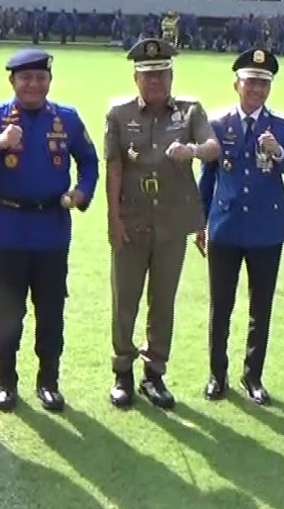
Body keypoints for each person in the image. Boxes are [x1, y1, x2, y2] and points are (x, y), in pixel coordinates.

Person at [0, 48, 99, 412]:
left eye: (40, 78)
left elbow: (89, 162)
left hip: (52, 228)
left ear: (49, 82)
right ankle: (5, 382)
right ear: (12, 82)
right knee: (9, 309)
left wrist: (82, 192)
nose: (33, 85)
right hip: (9, 228)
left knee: (51, 309)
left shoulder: (67, 119)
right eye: (25, 78)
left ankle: (48, 381)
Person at [100, 38, 217, 410]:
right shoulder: (118, 114)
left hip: (171, 222)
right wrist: (112, 218)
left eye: (161, 74)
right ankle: (122, 372)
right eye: (148, 75)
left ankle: (155, 373)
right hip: (131, 222)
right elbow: (114, 166)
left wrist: (193, 151)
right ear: (136, 78)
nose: (155, 81)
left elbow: (213, 146)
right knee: (125, 301)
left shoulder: (190, 111)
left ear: (171, 75)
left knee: (163, 301)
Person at [198, 48, 284, 406]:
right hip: (224, 227)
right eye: (250, 81)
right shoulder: (217, 123)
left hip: (265, 229)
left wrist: (280, 152)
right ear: (236, 84)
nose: (256, 89)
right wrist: (200, 221)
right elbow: (207, 176)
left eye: (263, 83)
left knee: (261, 306)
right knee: (220, 305)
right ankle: (217, 374)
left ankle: (253, 375)